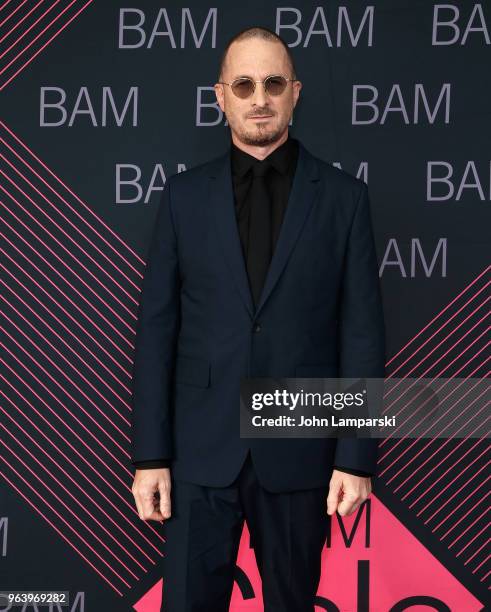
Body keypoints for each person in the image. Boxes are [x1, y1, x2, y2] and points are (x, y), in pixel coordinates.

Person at [131, 25, 386, 612]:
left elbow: (362, 334)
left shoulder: (345, 199)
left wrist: (355, 456)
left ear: (295, 92)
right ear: (220, 97)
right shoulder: (182, 196)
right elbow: (157, 332)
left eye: (273, 83)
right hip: (199, 452)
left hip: (301, 449)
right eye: (243, 84)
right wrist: (150, 456)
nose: (259, 97)